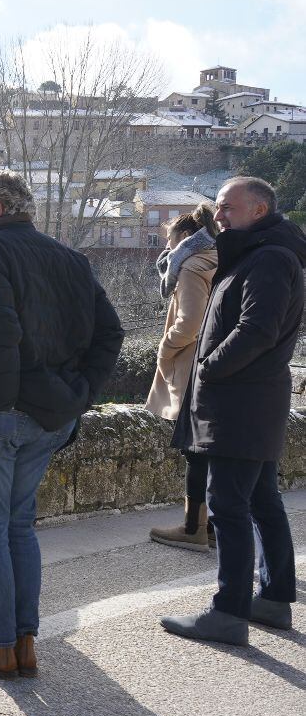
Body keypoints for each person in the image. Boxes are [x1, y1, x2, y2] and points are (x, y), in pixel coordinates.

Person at [0, 170, 123, 677]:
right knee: (19, 526)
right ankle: (25, 643)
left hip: (4, 417)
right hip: (52, 415)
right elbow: (111, 332)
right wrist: (80, 394)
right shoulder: (69, 258)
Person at [161, 176, 303, 645]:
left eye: (227, 208)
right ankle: (274, 599)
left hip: (239, 403)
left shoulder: (268, 259)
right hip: (251, 400)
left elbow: (258, 329)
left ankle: (228, 612)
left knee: (227, 506)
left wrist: (209, 368)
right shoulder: (261, 253)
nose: (217, 216)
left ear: (258, 210)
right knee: (261, 499)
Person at [146, 205, 219, 551]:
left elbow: (190, 322)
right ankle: (214, 527)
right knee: (214, 449)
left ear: (185, 239)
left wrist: (165, 349)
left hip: (192, 367)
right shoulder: (217, 259)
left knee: (194, 448)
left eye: (170, 242)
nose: (167, 251)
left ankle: (194, 528)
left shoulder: (191, 265)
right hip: (216, 366)